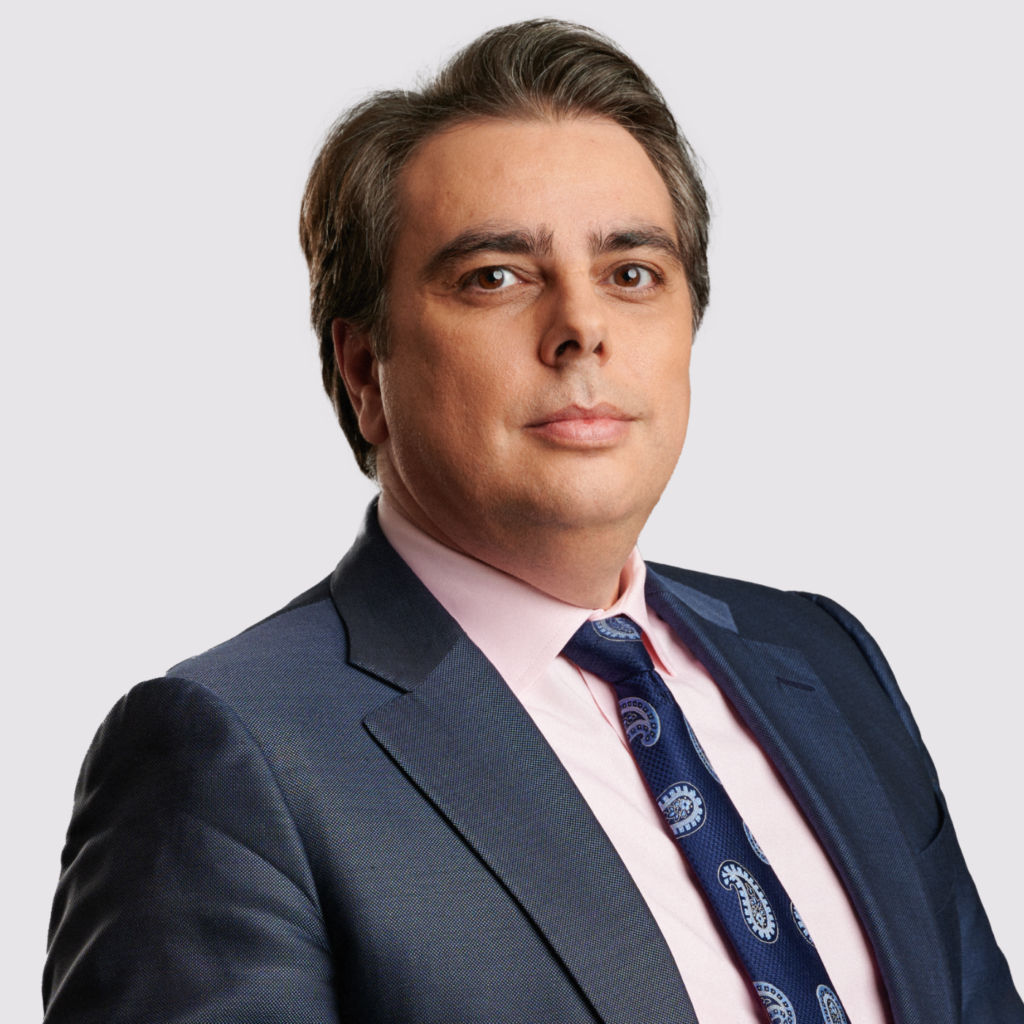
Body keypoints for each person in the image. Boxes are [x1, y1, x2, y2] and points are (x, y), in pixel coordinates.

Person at [42, 19, 1020, 1024]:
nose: (581, 327)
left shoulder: (826, 661)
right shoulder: (229, 760)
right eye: (495, 277)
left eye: (631, 273)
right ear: (363, 371)